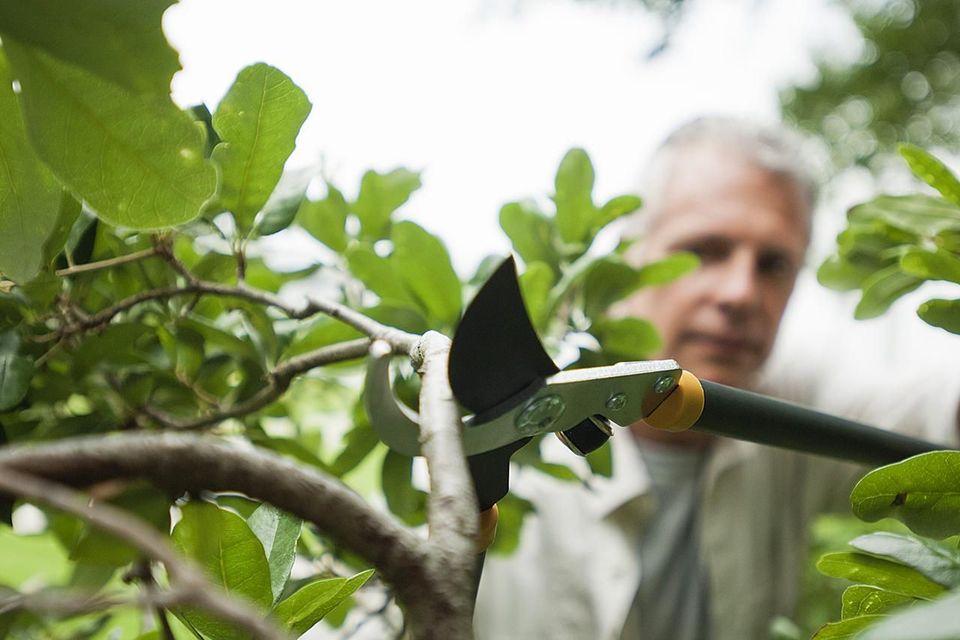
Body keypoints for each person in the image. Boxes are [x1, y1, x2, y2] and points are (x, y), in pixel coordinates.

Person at [472, 116, 960, 640]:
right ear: (629, 256)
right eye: (704, 250)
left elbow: (926, 411)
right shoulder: (506, 421)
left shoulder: (795, 395)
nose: (740, 293)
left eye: (773, 264)